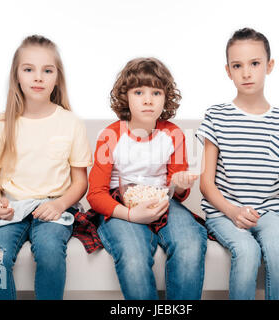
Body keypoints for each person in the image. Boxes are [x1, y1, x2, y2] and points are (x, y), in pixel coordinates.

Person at [196, 28, 279, 300]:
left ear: (269, 66)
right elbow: (206, 184)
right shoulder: (217, 117)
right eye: (237, 65)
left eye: (254, 63)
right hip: (224, 213)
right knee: (247, 252)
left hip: (268, 213)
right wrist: (233, 212)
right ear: (228, 70)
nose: (246, 72)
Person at [0, 35, 92, 300]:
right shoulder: (0, 124)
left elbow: (80, 182)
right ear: (16, 76)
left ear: (57, 78)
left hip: (53, 207)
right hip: (13, 207)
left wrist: (60, 205)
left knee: (50, 254)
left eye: (47, 70)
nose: (38, 77)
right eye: (29, 69)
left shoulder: (71, 123)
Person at [87, 57, 207, 300]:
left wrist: (180, 184)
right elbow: (96, 194)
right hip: (120, 205)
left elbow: (178, 193)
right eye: (139, 91)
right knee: (133, 254)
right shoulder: (110, 135)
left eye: (156, 92)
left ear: (166, 98)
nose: (148, 99)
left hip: (163, 201)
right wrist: (130, 214)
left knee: (190, 244)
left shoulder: (173, 134)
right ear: (126, 97)